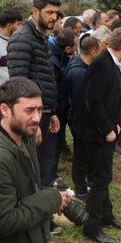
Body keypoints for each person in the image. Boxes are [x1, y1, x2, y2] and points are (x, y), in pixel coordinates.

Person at [0, 77, 71, 243]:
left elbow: (27, 192)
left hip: (30, 242)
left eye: (40, 109)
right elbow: (1, 222)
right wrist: (51, 199)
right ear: (4, 110)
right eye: (29, 110)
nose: (37, 118)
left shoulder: (23, 136)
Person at [79, 28, 121, 243]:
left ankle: (107, 216)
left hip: (109, 132)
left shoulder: (111, 63)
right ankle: (91, 226)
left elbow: (115, 98)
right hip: (98, 135)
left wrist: (117, 125)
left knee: (104, 176)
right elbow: (94, 101)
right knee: (101, 179)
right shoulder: (101, 64)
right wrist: (108, 130)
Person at [7, 0, 62, 188]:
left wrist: (52, 111)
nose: (54, 17)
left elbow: (44, 77)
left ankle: (44, 215)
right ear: (35, 11)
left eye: (56, 13)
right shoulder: (22, 38)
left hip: (44, 113)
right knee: (33, 172)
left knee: (46, 169)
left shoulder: (40, 37)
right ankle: (37, 218)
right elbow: (19, 85)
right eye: (49, 12)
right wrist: (32, 121)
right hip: (32, 117)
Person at [62, 35, 101, 201]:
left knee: (85, 155)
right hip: (80, 122)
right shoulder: (79, 72)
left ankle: (87, 183)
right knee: (80, 156)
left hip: (83, 121)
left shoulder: (83, 67)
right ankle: (81, 189)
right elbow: (80, 102)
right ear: (93, 52)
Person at [49, 28, 77, 170]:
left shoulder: (61, 57)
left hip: (62, 105)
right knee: (54, 138)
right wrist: (54, 111)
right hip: (56, 107)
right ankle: (51, 171)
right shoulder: (54, 62)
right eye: (75, 45)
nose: (76, 48)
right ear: (67, 48)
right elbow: (53, 88)